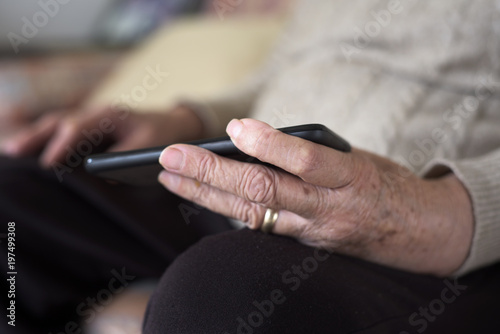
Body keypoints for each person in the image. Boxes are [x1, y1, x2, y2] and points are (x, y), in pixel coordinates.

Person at [2, 0, 500, 333]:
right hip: (249, 186)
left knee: (218, 289)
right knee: (14, 197)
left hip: (429, 233)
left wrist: (444, 210)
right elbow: (286, 75)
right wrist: (184, 118)